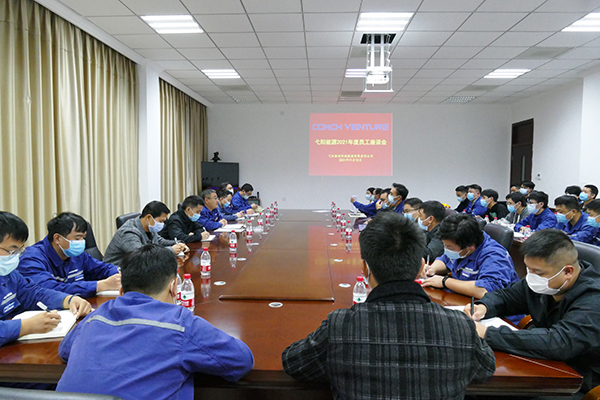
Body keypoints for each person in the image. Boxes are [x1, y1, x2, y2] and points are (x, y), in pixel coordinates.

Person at [281, 212, 495, 399]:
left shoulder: (340, 326)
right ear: (421, 267)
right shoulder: (461, 326)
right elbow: (486, 368)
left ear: (365, 269)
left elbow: (292, 363)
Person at [56, 244, 254, 399]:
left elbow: (65, 350)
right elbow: (241, 360)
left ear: (121, 291)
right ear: (174, 287)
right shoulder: (180, 324)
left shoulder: (96, 316)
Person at [467, 229, 600, 397]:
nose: (531, 276)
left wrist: (487, 334)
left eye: (538, 272)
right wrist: (483, 307)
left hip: (577, 381)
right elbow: (507, 297)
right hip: (541, 360)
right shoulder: (547, 281)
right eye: (528, 269)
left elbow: (560, 342)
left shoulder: (594, 298)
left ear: (568, 271)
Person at [0, 212, 92, 347]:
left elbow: (34, 293)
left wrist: (68, 300)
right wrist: (25, 326)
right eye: (11, 251)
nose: (16, 257)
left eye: (19, 251)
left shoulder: (9, 274)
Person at [17, 212, 120, 298]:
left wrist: (120, 275)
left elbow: (103, 268)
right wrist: (100, 285)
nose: (82, 242)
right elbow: (49, 290)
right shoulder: (31, 259)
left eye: (83, 237)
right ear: (57, 238)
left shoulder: (77, 254)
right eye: (77, 238)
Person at [422, 213, 520, 300]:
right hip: (461, 299)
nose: (446, 249)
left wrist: (445, 282)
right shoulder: (461, 244)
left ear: (470, 246)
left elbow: (486, 290)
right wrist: (432, 269)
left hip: (493, 310)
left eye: (449, 246)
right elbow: (446, 259)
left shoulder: (494, 256)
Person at [104, 201, 189, 265]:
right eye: (160, 221)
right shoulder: (128, 232)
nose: (162, 224)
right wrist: (171, 250)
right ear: (149, 217)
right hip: (116, 273)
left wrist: (178, 244)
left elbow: (159, 241)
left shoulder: (149, 227)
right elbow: (141, 256)